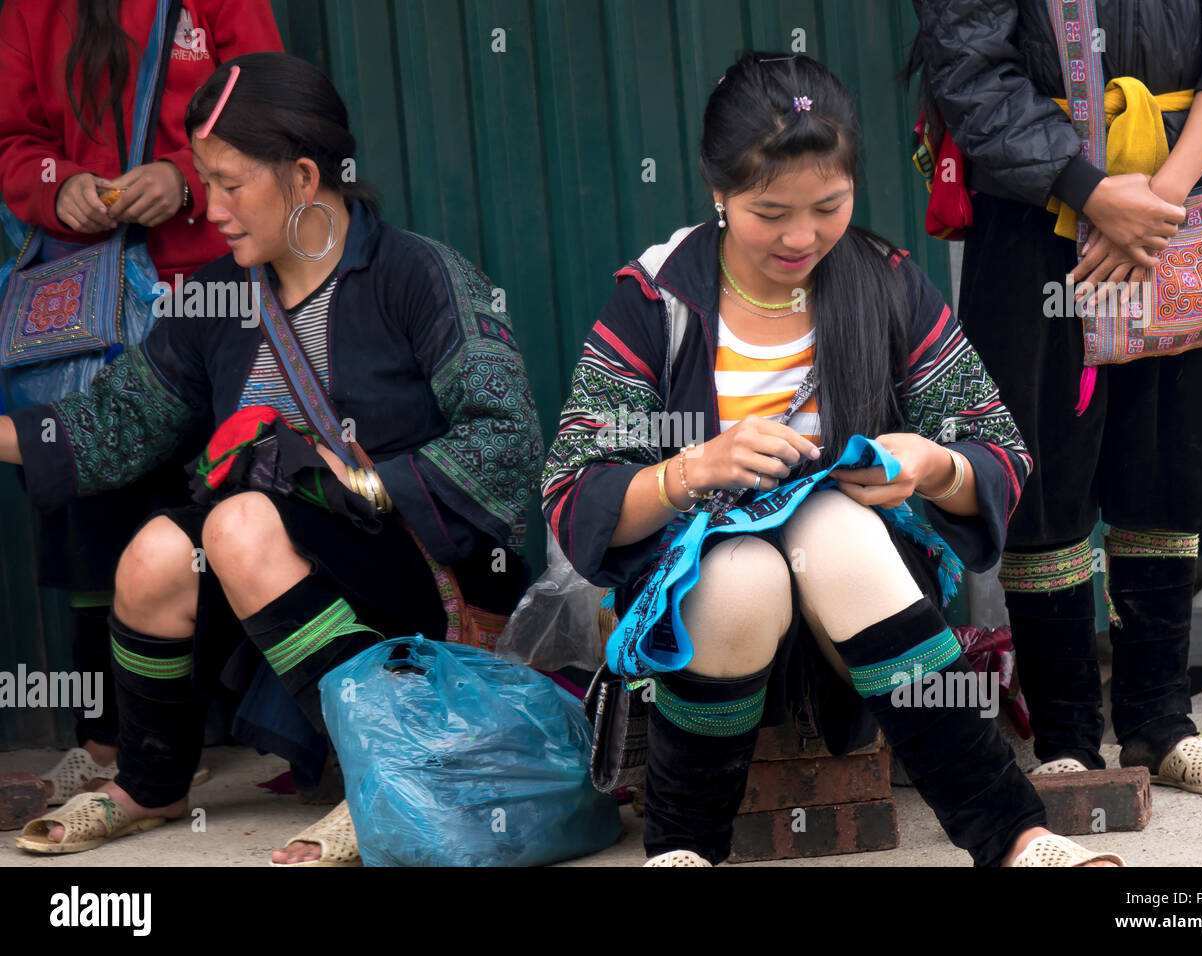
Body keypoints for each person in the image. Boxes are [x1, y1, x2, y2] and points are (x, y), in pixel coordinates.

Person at [542, 51, 1122, 867]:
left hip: (870, 625)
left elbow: (998, 449)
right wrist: (691, 470)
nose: (801, 237)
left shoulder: (886, 285)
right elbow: (572, 488)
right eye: (769, 210)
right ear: (717, 189)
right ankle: (682, 848)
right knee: (741, 568)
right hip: (707, 638)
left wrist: (930, 467)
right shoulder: (657, 300)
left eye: (829, 205)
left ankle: (1014, 834)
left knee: (832, 523)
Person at [3, 52, 543, 865]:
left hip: (427, 575)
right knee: (155, 551)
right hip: (280, 570)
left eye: (229, 183)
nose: (210, 208)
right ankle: (153, 785)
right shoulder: (218, 300)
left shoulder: (417, 276)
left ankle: (388, 774)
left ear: (301, 176)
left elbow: (507, 439)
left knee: (241, 520)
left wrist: (349, 483)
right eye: (204, 181)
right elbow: (108, 426)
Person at [912, 0, 1202, 792]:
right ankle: (1067, 739)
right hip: (1033, 207)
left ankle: (1160, 722)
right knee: (1041, 475)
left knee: (1168, 465)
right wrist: (1090, 192)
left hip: (1182, 201)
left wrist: (1159, 200)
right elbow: (969, 66)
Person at [0, 0, 282, 807]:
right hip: (88, 308)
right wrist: (65, 190)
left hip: (208, 286)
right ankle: (108, 740)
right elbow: (15, 143)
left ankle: (212, 730)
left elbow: (268, 110)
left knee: (213, 501)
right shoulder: (31, 9)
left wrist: (185, 179)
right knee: (90, 501)